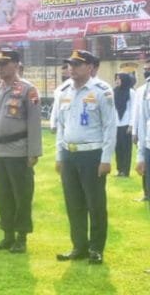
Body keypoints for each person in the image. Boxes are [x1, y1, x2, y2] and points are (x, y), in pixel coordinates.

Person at [55, 50, 116, 265]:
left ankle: (96, 248)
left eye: (77, 64)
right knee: (74, 203)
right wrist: (59, 155)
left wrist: (106, 158)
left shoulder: (102, 91)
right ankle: (79, 246)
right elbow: (62, 127)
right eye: (70, 64)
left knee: (95, 203)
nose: (72, 68)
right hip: (69, 154)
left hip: (92, 155)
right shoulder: (65, 91)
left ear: (90, 67)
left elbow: (110, 126)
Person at [0, 48, 42, 254]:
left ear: (16, 64)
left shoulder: (29, 90)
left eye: (4, 64)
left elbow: (34, 123)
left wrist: (33, 152)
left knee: (22, 196)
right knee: (2, 195)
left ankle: (21, 237)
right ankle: (7, 235)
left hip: (18, 151)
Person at [134, 60, 150, 202]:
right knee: (147, 169)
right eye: (145, 69)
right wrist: (136, 131)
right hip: (148, 139)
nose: (147, 72)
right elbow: (140, 116)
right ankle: (147, 194)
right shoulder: (143, 91)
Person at [113, 72, 135, 177]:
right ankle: (119, 169)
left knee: (126, 148)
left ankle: (125, 171)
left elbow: (133, 109)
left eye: (119, 79)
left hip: (126, 125)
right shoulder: (113, 92)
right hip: (116, 125)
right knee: (118, 148)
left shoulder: (131, 92)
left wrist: (131, 125)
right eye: (116, 79)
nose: (117, 81)